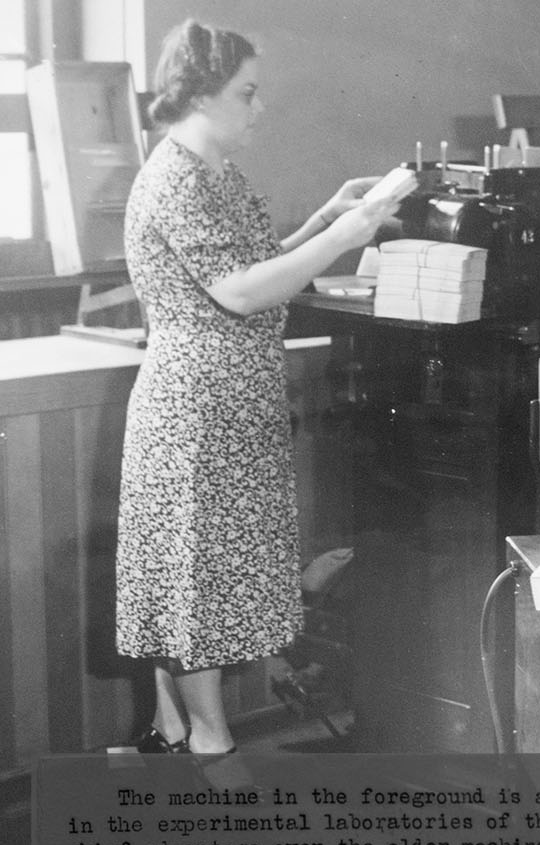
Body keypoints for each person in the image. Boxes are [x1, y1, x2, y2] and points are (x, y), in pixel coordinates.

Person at [117, 20, 414, 777]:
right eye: (246, 93)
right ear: (202, 93)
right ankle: (210, 742)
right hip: (195, 406)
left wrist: (324, 217)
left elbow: (258, 264)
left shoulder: (213, 171)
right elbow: (242, 292)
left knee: (211, 572)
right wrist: (344, 236)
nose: (258, 108)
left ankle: (177, 727)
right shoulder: (178, 178)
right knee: (198, 578)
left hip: (228, 399)